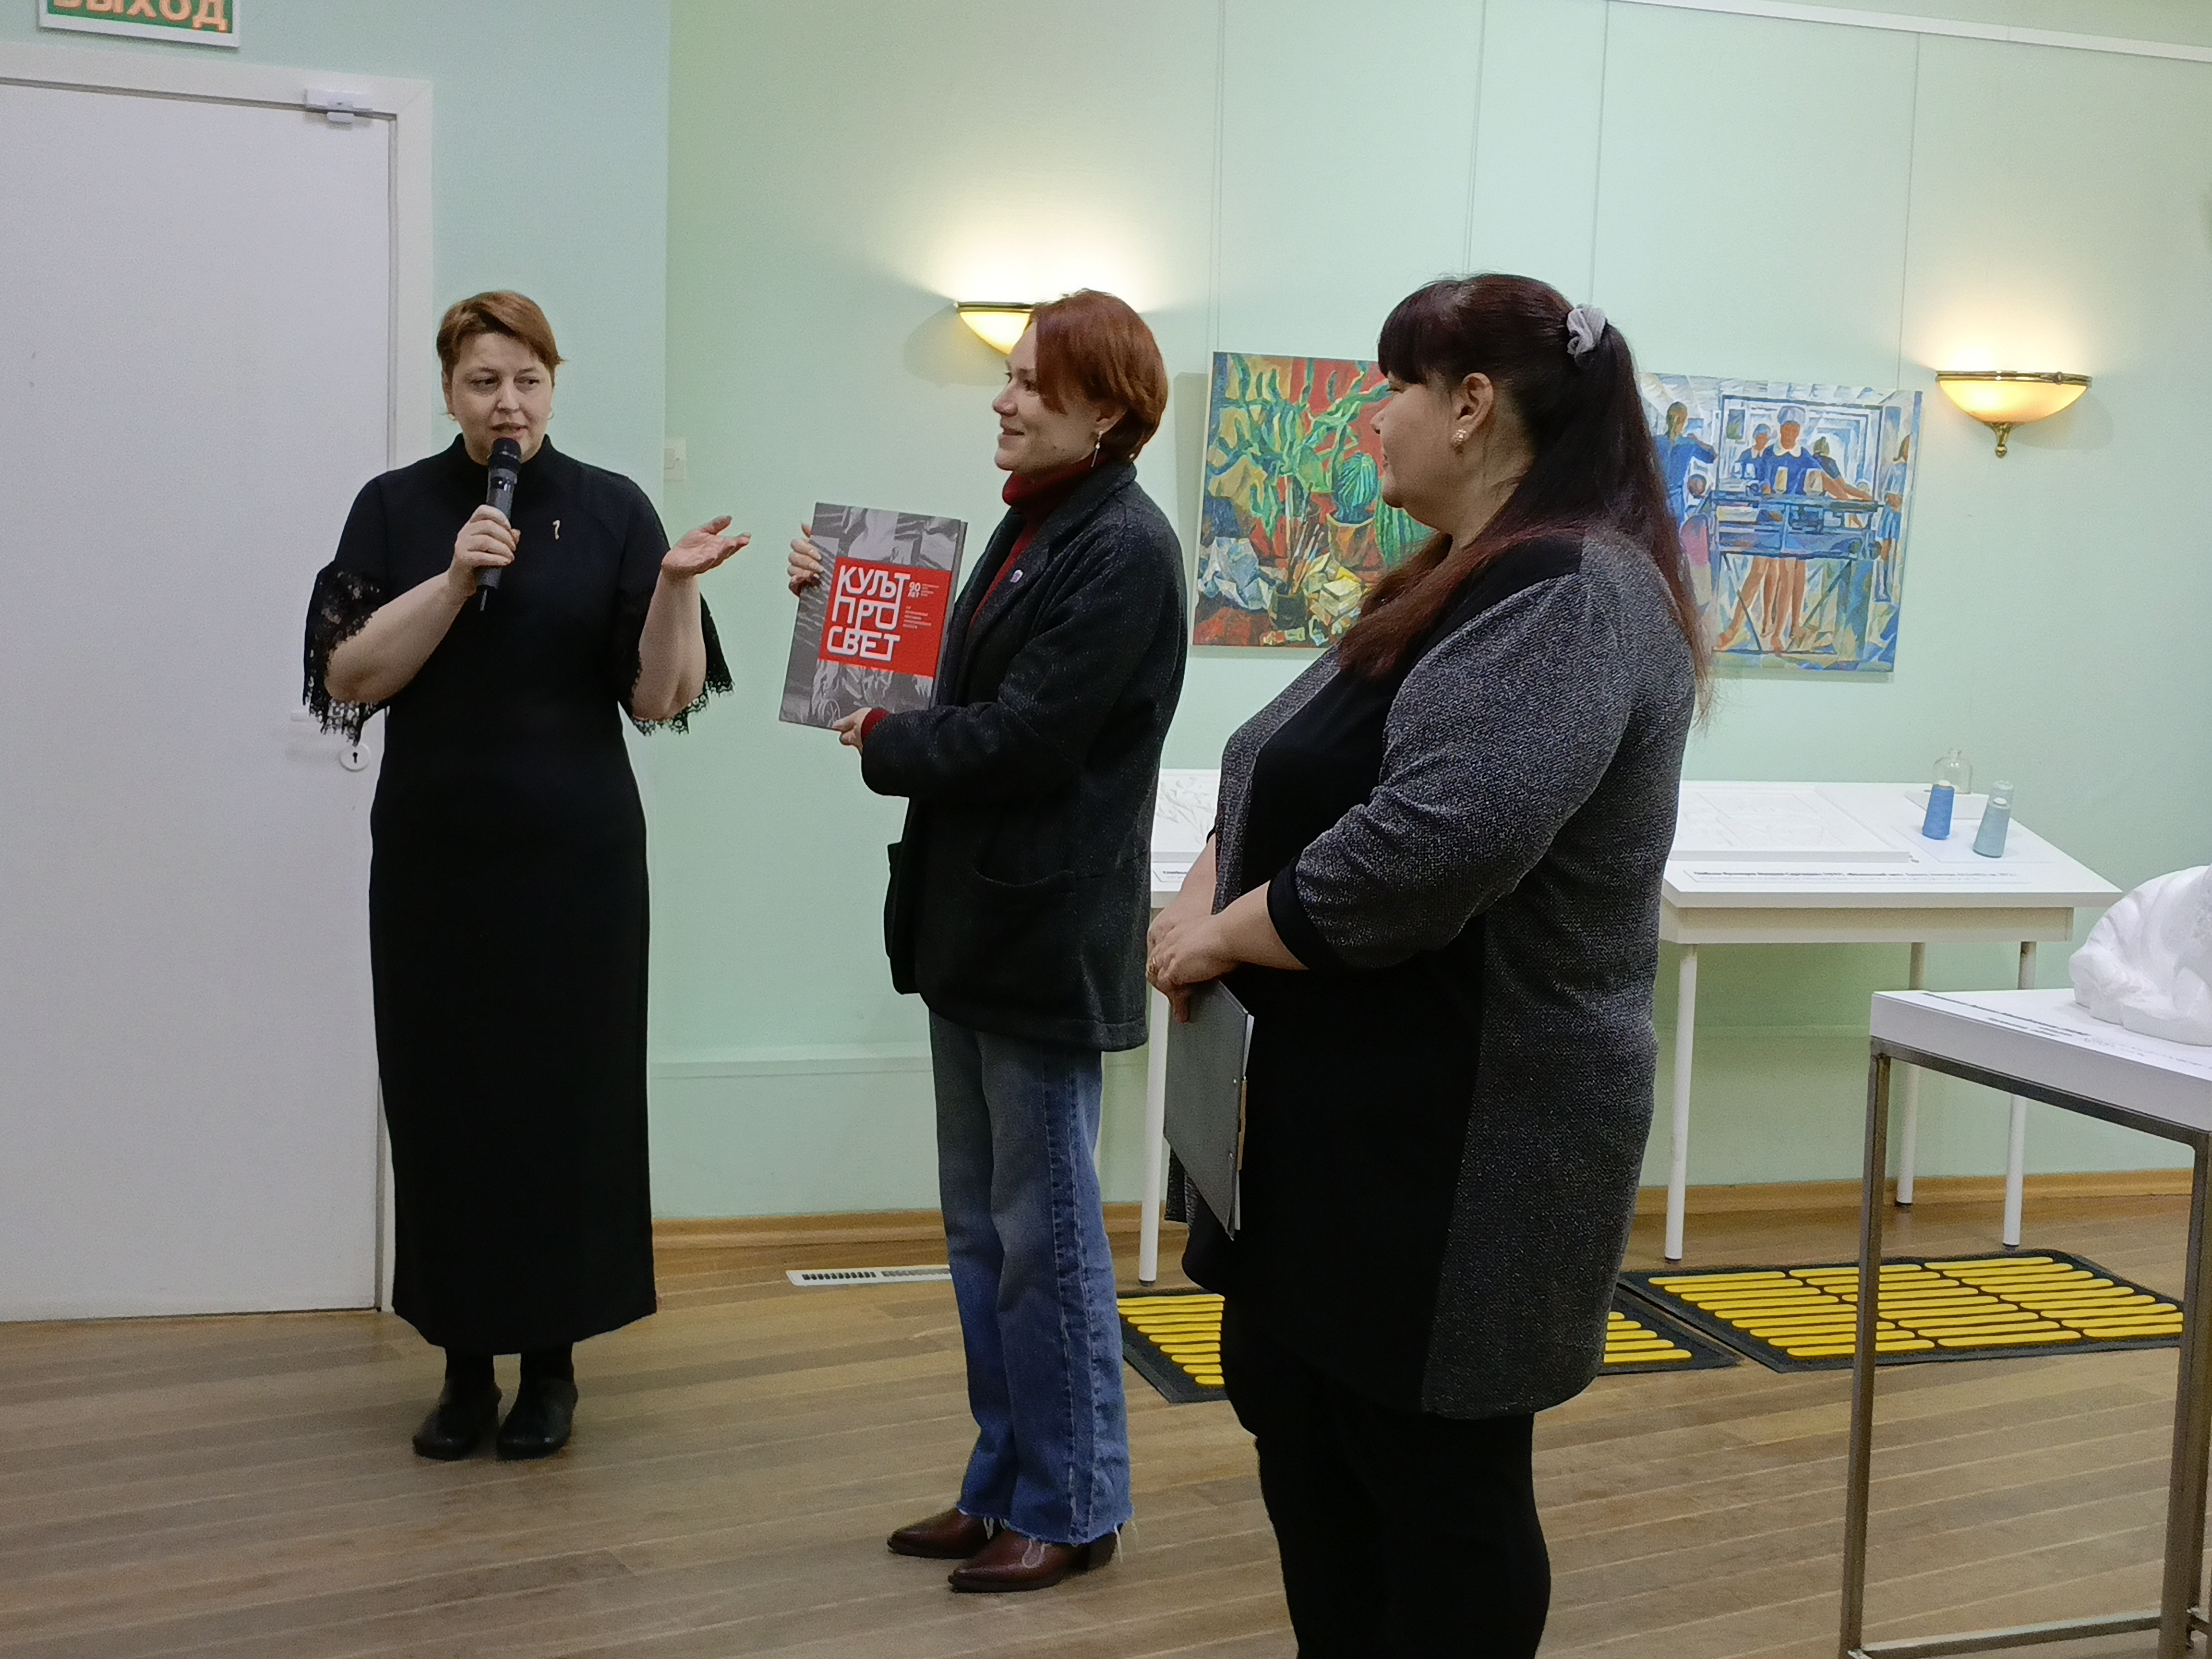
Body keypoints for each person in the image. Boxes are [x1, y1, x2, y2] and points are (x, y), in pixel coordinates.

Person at [1147, 275, 1702, 1657]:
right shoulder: (1447, 579)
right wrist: (1206, 888)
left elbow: (1434, 844)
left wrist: (1217, 934)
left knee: (1437, 1490)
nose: (1371, 414)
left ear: (1472, 405)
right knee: (1314, 1440)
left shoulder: (1572, 593)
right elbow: (1276, 773)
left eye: (1392, 385)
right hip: (1343, 1127)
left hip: (1466, 1139)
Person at [787, 290, 1184, 1593]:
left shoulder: (1123, 547)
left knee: (1045, 1242)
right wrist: (840, 614)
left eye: (1028, 382)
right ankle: (1003, 1484)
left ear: (1106, 410)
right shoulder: (1036, 525)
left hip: (1040, 938)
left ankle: (1072, 1506)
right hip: (975, 929)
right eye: (1007, 377)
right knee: (983, 1236)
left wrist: (886, 738)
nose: (1002, 401)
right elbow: (961, 692)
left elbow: (1028, 738)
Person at [304, 291, 744, 1462]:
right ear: (450, 390)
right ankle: (463, 1369)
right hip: (437, 866)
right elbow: (348, 677)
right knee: (446, 1101)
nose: (509, 404)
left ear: (554, 384)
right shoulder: (395, 509)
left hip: (576, 868)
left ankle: (552, 1369)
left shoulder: (612, 508)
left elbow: (661, 698)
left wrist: (677, 585)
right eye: (484, 382)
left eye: (528, 381)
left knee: (566, 1106)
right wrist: (452, 582)